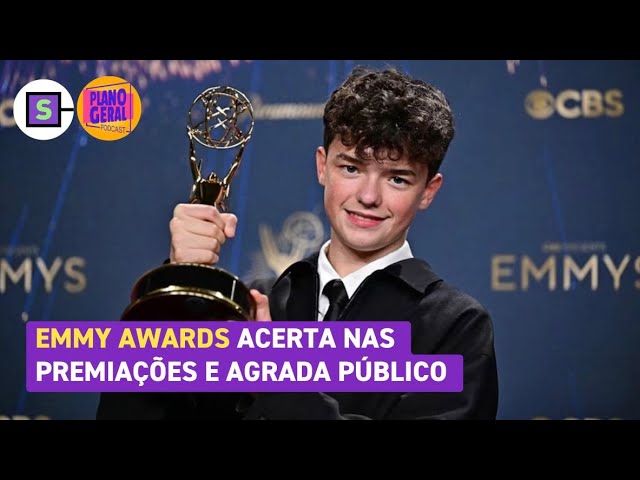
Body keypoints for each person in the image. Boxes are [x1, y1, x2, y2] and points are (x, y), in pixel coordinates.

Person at [96, 65, 498, 420]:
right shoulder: (251, 306)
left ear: (428, 191)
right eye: (351, 168)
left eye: (397, 178)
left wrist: (274, 372)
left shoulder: (455, 325)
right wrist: (175, 288)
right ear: (323, 166)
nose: (368, 196)